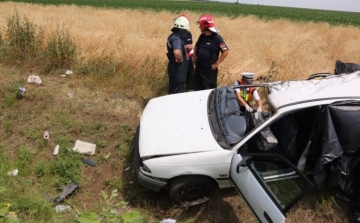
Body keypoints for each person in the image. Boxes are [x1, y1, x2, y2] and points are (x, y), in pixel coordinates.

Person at [192, 14, 229, 91]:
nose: (199, 27)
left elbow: (226, 51)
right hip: (199, 68)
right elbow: (196, 47)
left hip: (209, 70)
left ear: (205, 26)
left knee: (208, 91)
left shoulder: (217, 38)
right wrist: (194, 58)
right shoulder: (202, 36)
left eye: (200, 25)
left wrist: (217, 63)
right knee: (197, 89)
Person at [166, 16, 190, 94]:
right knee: (177, 92)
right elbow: (177, 52)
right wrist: (181, 59)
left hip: (173, 67)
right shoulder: (176, 39)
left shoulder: (171, 37)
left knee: (173, 89)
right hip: (178, 69)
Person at [175, 14, 195, 91]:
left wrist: (192, 48)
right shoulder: (175, 35)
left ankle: (190, 90)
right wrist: (185, 47)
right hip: (180, 58)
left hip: (188, 57)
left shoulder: (188, 33)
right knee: (180, 77)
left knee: (192, 74)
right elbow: (176, 49)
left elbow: (190, 44)